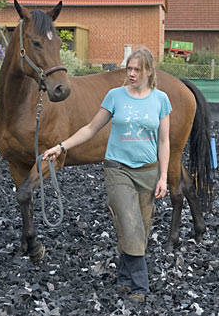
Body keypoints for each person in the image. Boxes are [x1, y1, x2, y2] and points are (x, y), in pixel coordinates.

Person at [43, 46, 172, 303]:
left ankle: (125, 278)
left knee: (140, 229)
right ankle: (140, 286)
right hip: (118, 169)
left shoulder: (161, 100)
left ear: (148, 71)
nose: (131, 73)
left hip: (147, 171)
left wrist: (163, 176)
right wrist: (61, 146)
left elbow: (164, 141)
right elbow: (91, 128)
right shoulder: (115, 96)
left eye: (137, 69)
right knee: (129, 220)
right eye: (129, 68)